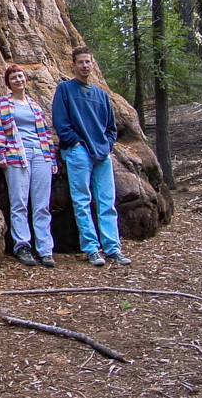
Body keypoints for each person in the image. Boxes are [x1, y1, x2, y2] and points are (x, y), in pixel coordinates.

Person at [52, 46, 131, 266]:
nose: (85, 66)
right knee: (82, 201)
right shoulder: (65, 90)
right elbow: (60, 122)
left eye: (88, 62)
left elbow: (111, 127)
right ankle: (91, 248)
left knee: (107, 201)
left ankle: (112, 247)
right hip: (79, 153)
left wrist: (106, 145)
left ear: (93, 64)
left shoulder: (100, 95)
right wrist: (76, 144)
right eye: (81, 62)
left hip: (102, 154)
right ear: (73, 65)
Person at [0, 65, 58, 267]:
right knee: (19, 201)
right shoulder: (2, 103)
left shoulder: (35, 106)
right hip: (16, 154)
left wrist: (52, 158)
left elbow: (45, 133)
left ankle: (45, 249)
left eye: (20, 76)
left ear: (25, 79)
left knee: (42, 204)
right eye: (13, 78)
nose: (18, 80)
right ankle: (23, 246)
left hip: (41, 155)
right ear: (8, 83)